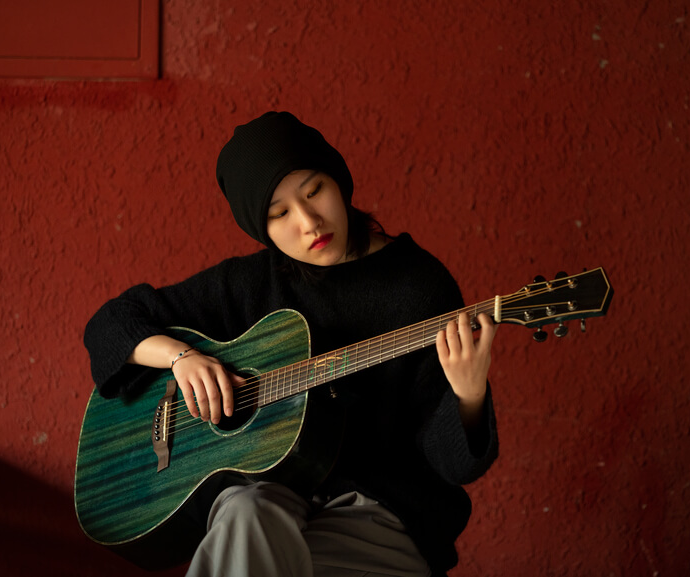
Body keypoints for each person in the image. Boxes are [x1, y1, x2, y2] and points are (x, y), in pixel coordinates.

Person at [83, 111, 499, 577]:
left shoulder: (419, 288)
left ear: (339, 182)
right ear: (262, 229)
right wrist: (182, 357)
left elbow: (452, 463)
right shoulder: (251, 283)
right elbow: (109, 324)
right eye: (279, 214)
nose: (308, 222)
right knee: (243, 513)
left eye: (314, 191)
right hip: (274, 498)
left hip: (380, 511)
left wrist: (469, 395)